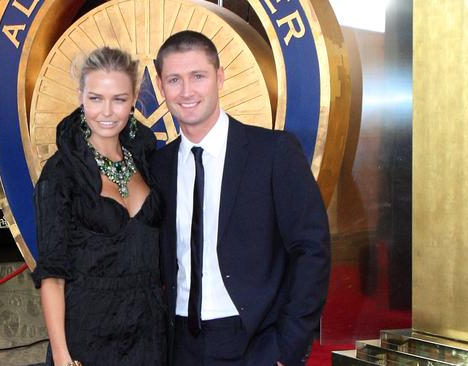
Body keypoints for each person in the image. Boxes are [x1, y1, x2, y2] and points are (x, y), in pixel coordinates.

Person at [151, 30, 331, 366]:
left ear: (220, 78)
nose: (186, 91)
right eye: (174, 79)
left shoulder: (274, 153)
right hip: (177, 346)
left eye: (198, 76)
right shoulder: (158, 166)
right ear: (161, 86)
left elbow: (312, 250)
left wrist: (287, 346)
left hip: (255, 342)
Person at [31, 47, 166, 366]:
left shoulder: (146, 160)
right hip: (88, 337)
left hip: (149, 335)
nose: (107, 111)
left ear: (133, 98)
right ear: (80, 96)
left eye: (118, 99)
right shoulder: (61, 173)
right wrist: (62, 354)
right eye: (96, 98)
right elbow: (52, 274)